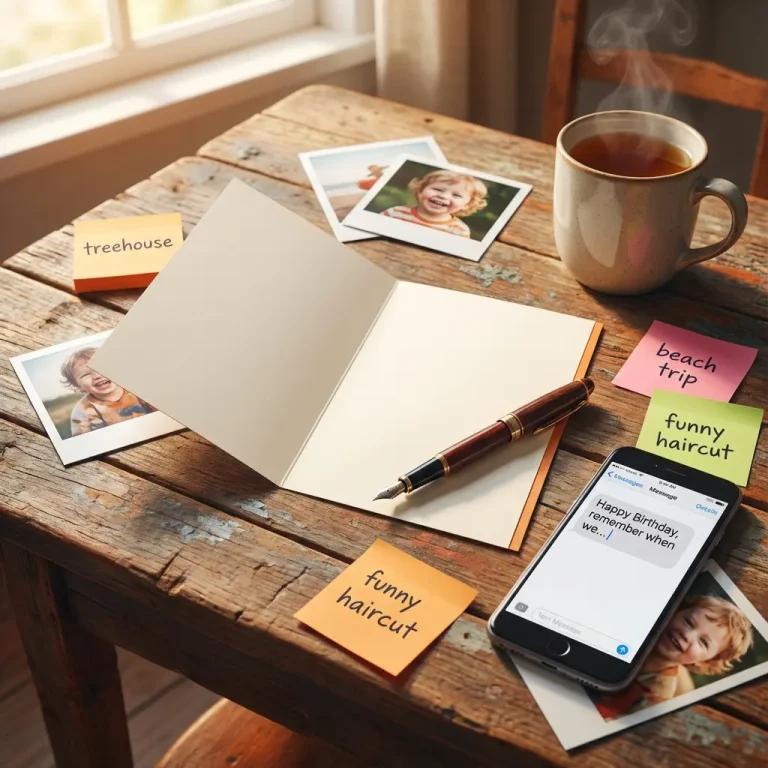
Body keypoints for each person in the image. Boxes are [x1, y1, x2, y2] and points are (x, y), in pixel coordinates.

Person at [594, 594, 753, 720]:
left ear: (706, 661)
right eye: (689, 622)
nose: (687, 634)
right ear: (676, 611)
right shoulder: (632, 631)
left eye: (703, 642)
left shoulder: (659, 694)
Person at [60, 346, 156, 436]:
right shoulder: (83, 410)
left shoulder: (138, 388)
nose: (97, 376)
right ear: (78, 386)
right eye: (86, 375)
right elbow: (82, 440)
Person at [380, 170, 488, 238]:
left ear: (467, 204)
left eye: (456, 195)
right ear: (420, 190)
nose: (444, 196)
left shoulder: (458, 230)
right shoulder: (395, 213)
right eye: (437, 189)